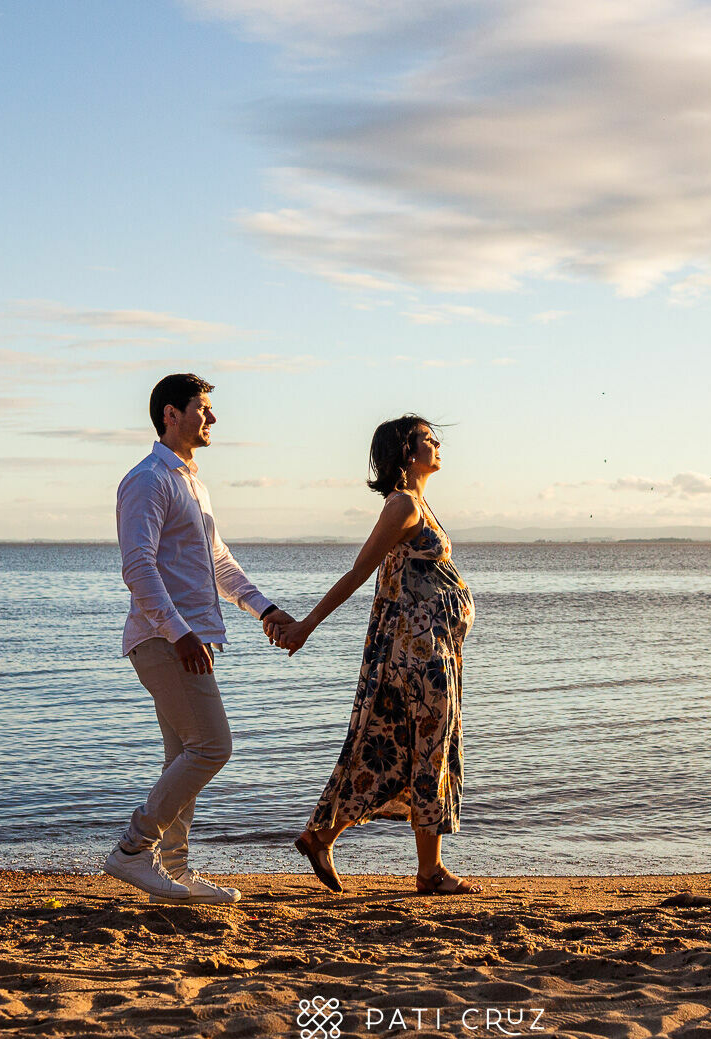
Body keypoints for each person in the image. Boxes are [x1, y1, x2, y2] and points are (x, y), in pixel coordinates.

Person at [104, 373, 294, 904]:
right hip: (164, 641)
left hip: (188, 639)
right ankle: (132, 850)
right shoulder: (147, 480)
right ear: (172, 413)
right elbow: (138, 568)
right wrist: (180, 633)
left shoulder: (192, 482)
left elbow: (216, 562)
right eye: (203, 408)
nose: (211, 418)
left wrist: (266, 609)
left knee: (182, 757)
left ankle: (176, 871)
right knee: (212, 747)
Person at [279, 415, 481, 895]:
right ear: (407, 452)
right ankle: (429, 872)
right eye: (429, 439)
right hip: (418, 656)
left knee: (392, 750)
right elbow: (358, 573)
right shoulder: (403, 506)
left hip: (430, 651)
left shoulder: (418, 504)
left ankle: (322, 836)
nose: (437, 445)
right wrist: (306, 625)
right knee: (427, 750)